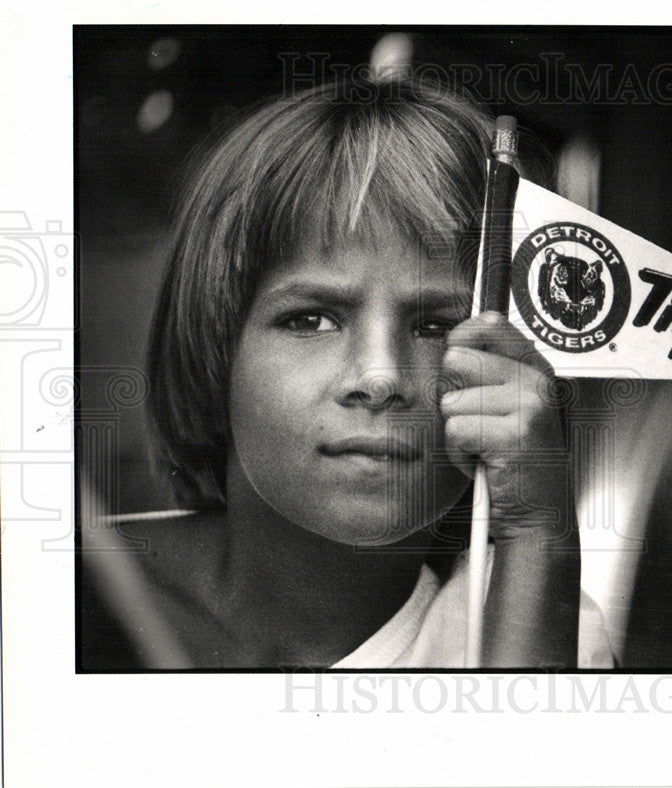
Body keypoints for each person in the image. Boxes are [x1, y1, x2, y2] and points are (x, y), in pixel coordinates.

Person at [79, 74, 613, 669]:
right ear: (215, 350)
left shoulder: (538, 622)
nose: (380, 377)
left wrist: (539, 538)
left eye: (436, 327)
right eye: (311, 320)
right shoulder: (71, 601)